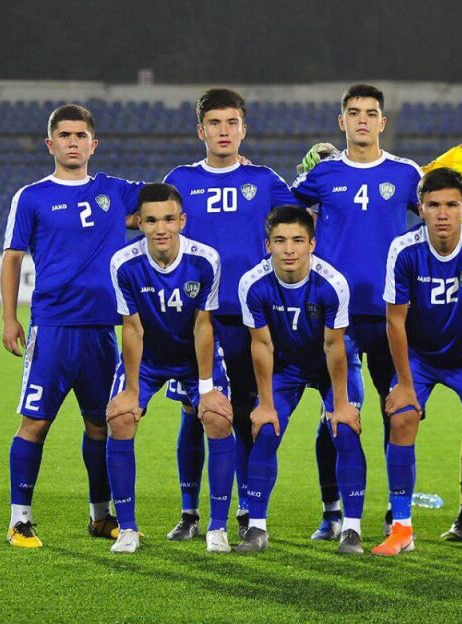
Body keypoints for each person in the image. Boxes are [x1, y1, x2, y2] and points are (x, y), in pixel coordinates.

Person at [1, 104, 143, 547]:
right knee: (35, 424)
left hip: (102, 330)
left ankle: (100, 516)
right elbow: (12, 258)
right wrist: (9, 316)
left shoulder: (114, 190)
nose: (73, 142)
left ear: (93, 144)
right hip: (53, 329)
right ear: (51, 144)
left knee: (101, 425)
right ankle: (19, 520)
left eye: (81, 135)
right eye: (65, 135)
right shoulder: (31, 197)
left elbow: (169, 200)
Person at [163, 88, 296, 539]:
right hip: (197, 318)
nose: (224, 131)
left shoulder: (264, 180)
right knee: (193, 411)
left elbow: (301, 219)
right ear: (201, 131)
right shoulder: (181, 179)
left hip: (248, 318)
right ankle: (189, 513)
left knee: (243, 413)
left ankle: (245, 509)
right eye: (215, 123)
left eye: (232, 123)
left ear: (244, 129)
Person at [291, 84, 422, 539]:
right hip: (335, 318)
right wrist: (300, 173)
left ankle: (395, 511)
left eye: (370, 113)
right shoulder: (323, 175)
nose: (362, 120)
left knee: (397, 413)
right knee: (336, 414)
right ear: (341, 121)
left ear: (382, 122)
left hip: (390, 316)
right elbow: (285, 212)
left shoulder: (406, 173)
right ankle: (332, 511)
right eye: (354, 112)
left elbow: (439, 213)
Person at [371, 168, 462, 558]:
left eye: (451, 205)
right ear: (421, 208)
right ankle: (401, 528)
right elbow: (395, 321)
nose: (442, 214)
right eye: (433, 205)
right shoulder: (404, 249)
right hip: (420, 356)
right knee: (401, 418)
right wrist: (405, 385)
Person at [105, 183, 235, 554]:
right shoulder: (124, 263)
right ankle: (127, 528)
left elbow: (203, 325)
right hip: (148, 358)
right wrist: (132, 391)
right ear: (139, 223)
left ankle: (217, 528)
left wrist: (207, 387)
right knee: (121, 418)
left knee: (217, 418)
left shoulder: (205, 259)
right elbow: (132, 329)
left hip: (193, 357)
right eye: (151, 221)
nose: (160, 228)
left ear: (182, 221)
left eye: (168, 219)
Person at [236, 206, 367, 555]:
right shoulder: (252, 284)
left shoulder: (332, 283)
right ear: (268, 245)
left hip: (331, 364)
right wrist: (266, 405)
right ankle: (256, 528)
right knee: (266, 429)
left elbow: (334, 346)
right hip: (285, 367)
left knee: (345, 429)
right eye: (280, 241)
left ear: (312, 244)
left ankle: (352, 530)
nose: (289, 249)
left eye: (297, 240)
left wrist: (341, 404)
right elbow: (261, 345)